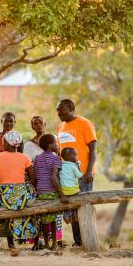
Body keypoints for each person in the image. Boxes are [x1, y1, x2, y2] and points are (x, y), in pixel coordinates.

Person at [56, 99, 97, 246]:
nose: (59, 113)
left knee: (84, 206)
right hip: (67, 176)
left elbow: (93, 149)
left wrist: (89, 171)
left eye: (61, 109)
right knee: (72, 207)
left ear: (71, 108)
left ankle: (89, 241)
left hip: (83, 174)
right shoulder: (60, 127)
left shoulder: (85, 123)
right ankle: (78, 242)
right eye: (57, 110)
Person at [0, 131, 37, 243]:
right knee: (28, 189)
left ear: (7, 144)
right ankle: (25, 234)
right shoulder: (24, 157)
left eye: (3, 142)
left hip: (5, 197)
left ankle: (11, 241)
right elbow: (33, 178)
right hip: (21, 196)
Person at [33, 134, 68, 250]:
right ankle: (54, 245)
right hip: (52, 192)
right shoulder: (56, 159)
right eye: (56, 143)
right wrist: (62, 194)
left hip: (41, 192)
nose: (57, 145)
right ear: (50, 145)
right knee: (54, 218)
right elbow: (54, 177)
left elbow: (36, 175)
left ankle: (47, 244)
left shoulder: (37, 158)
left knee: (44, 220)